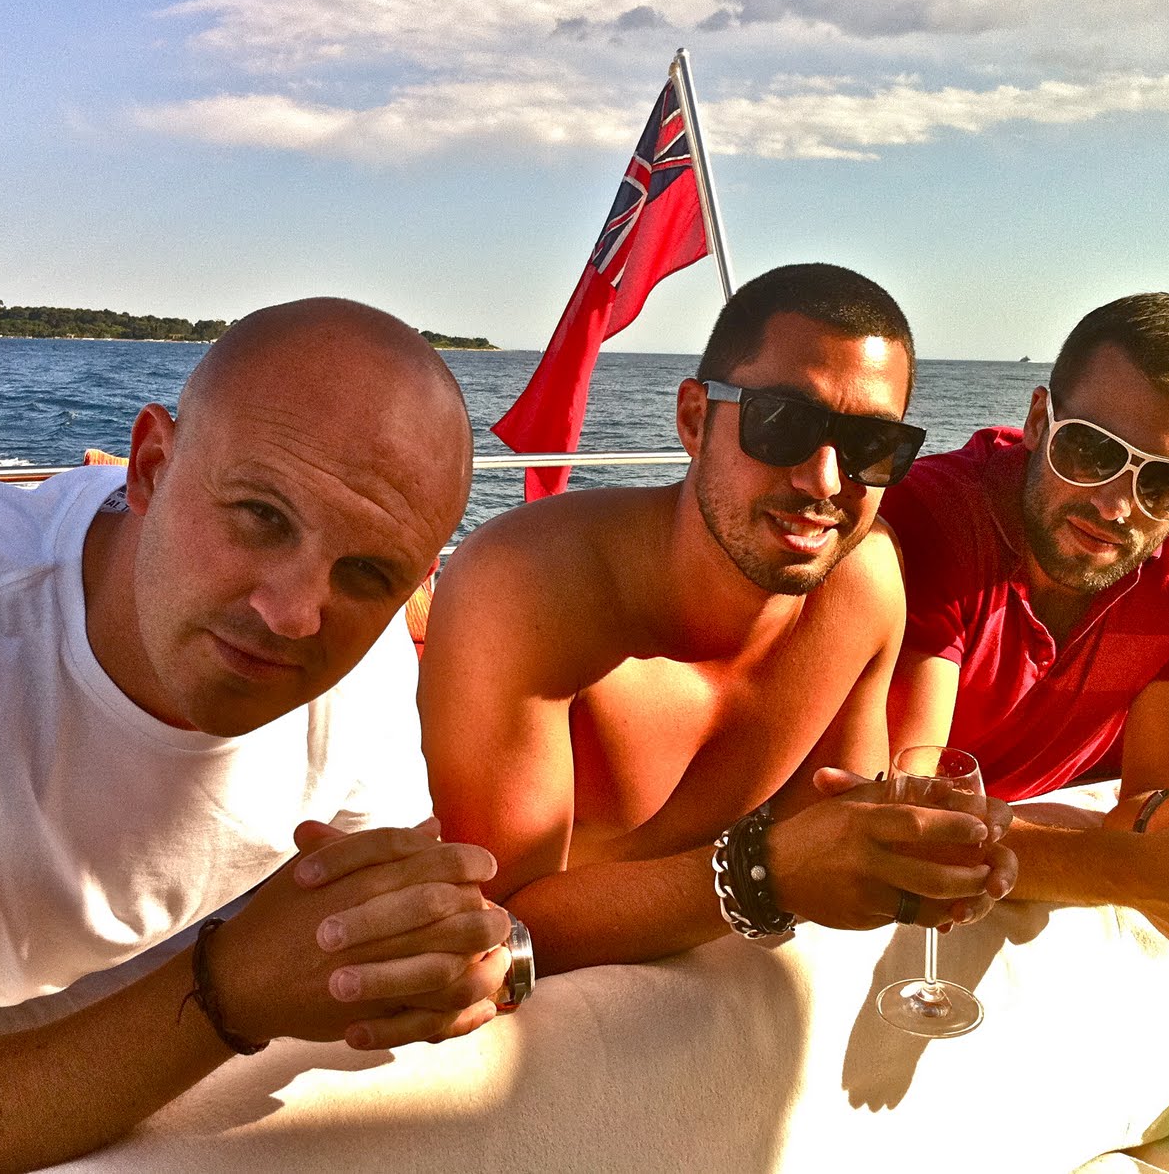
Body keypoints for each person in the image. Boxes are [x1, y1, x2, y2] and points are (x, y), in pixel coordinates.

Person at [0, 298, 515, 1172]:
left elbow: (391, 930)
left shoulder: (369, 657)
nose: (292, 614)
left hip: (86, 989)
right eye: (261, 515)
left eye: (367, 571)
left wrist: (441, 959)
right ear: (151, 467)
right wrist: (226, 992)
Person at [418, 264, 1017, 977]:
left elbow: (831, 830)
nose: (824, 480)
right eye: (782, 423)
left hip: (707, 987)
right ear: (695, 419)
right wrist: (763, 877)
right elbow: (493, 930)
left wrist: (912, 854)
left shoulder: (865, 584)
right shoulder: (526, 586)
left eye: (868, 446)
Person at [880, 292, 1169, 970]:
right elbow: (908, 820)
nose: (1117, 505)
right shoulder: (931, 517)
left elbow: (1157, 797)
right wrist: (1136, 874)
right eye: (1091, 451)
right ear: (1039, 421)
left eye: (1167, 483)